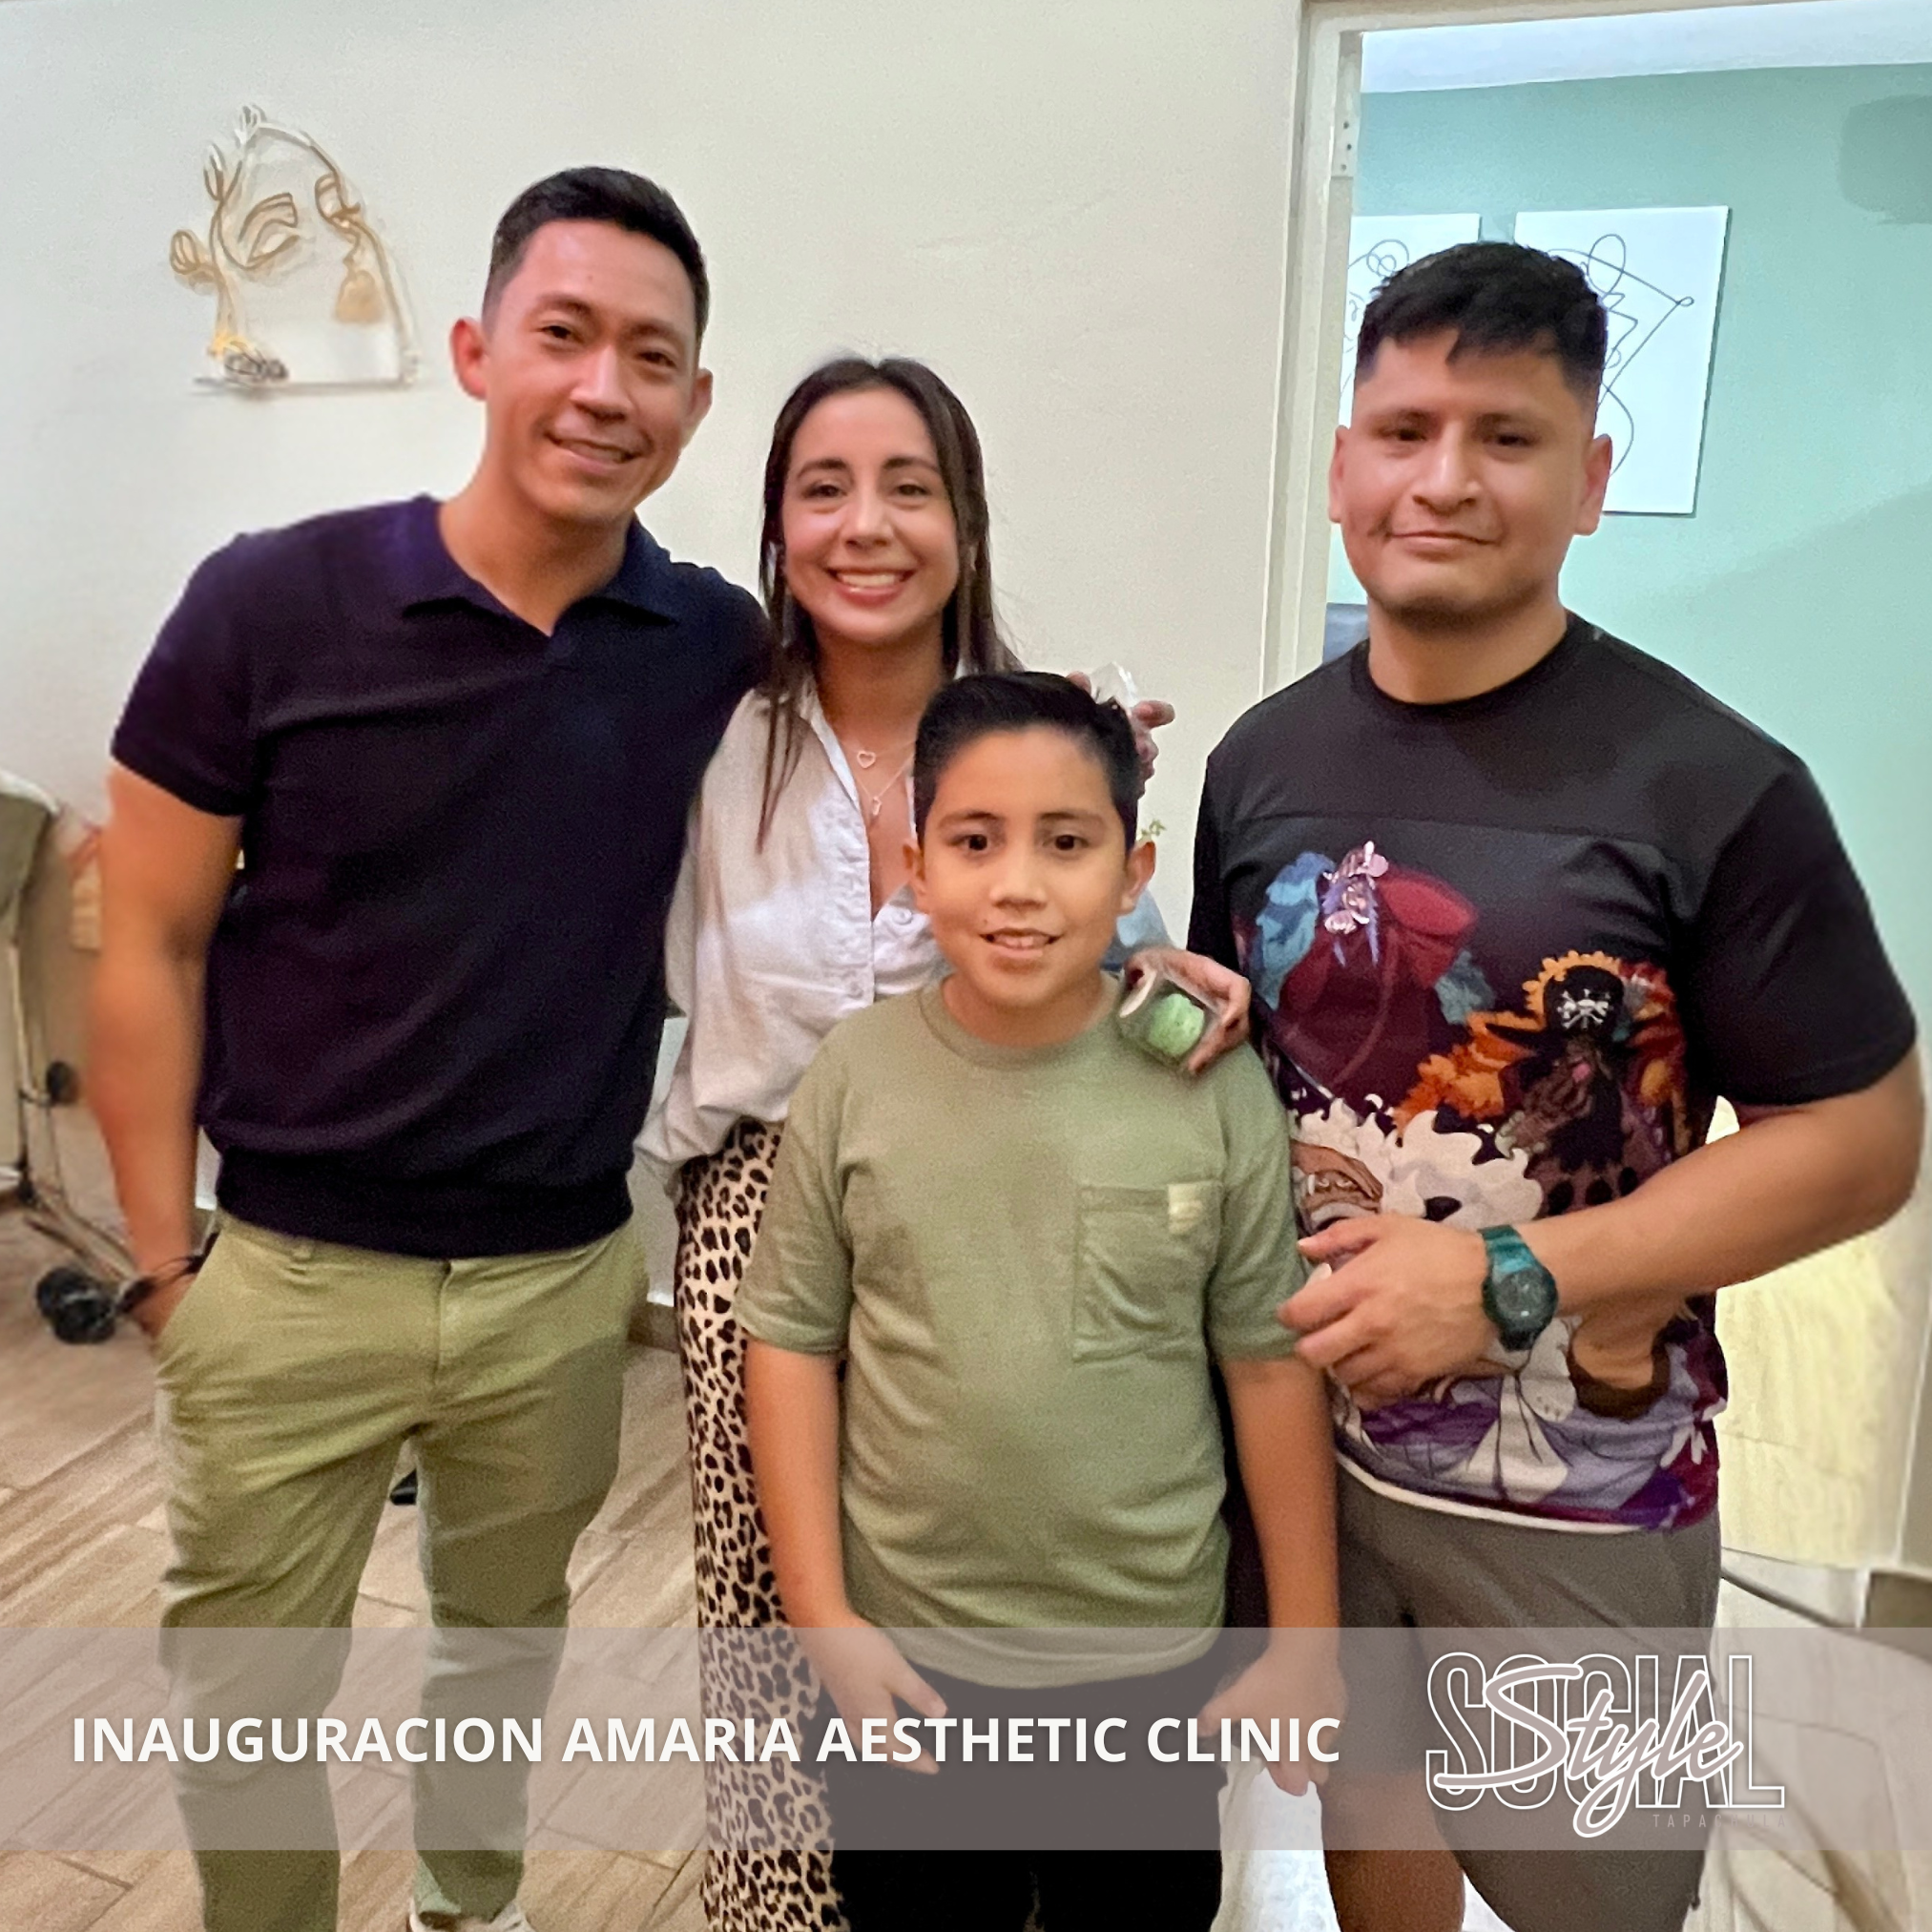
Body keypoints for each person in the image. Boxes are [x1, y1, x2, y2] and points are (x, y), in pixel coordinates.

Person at [1188, 239, 1923, 1932]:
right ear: (1342, 467)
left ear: (1590, 481)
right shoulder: (1263, 758)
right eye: (1405, 431)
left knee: (1590, 1891)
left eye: (1506, 438)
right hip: (1303, 1452)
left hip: (1584, 1488)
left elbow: (1862, 1141)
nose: (1444, 480)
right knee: (1372, 1802)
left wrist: (1510, 1278)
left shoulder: (1714, 785)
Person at [91, 168, 763, 1932]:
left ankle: (473, 1908)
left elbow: (906, 746)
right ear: (477, 351)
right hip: (289, 1275)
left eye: (651, 358)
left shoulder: (712, 645)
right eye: (564, 335)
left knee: (503, 1648)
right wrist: (162, 1265)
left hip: (559, 1277)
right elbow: (146, 940)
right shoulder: (268, 607)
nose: (604, 389)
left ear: (695, 405)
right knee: (245, 1696)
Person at [638, 355, 1244, 1931]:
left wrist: (1175, 978)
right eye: (823, 489)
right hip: (761, 1217)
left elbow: (1117, 964)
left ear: (965, 522)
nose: (866, 525)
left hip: (1001, 1199)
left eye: (909, 487)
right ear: (776, 527)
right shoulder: (712, 736)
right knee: (782, 1617)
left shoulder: (1039, 731)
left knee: (1005, 1579)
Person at [737, 672, 1340, 1931]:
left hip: (1148, 1664)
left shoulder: (1208, 1086)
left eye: (1066, 844)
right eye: (974, 842)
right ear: (916, 868)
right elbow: (790, 1341)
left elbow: (1266, 1361)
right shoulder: (855, 1078)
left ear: (1133, 875)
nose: (1019, 885)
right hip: (909, 1659)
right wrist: (823, 1619)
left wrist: (1303, 1640)